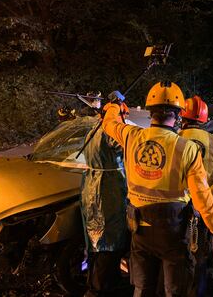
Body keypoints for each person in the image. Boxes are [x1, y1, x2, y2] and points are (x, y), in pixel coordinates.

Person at [102, 81, 213, 297]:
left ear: (150, 112)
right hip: (173, 233)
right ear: (178, 115)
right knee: (175, 290)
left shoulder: (131, 136)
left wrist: (114, 106)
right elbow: (202, 198)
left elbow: (109, 124)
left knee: (142, 288)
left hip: (139, 230)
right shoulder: (186, 148)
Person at [179, 95, 213, 297]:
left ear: (182, 116)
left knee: (175, 256)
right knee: (198, 256)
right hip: (202, 212)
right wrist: (208, 201)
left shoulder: (174, 138)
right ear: (204, 119)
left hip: (176, 210)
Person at [80, 102, 130, 296]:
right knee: (108, 244)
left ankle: (92, 285)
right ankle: (100, 290)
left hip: (91, 189)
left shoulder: (93, 129)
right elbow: (130, 146)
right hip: (108, 191)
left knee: (95, 243)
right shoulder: (111, 132)